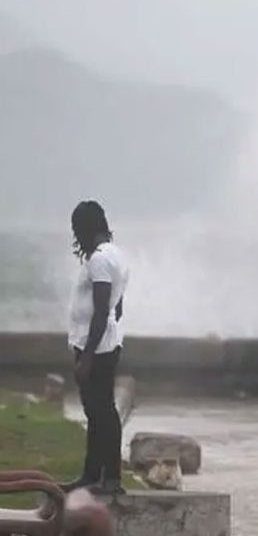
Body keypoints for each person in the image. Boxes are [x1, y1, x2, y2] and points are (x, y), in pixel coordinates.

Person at [62, 201, 129, 495]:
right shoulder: (116, 255)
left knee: (101, 412)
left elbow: (102, 310)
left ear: (85, 228)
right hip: (106, 344)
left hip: (97, 348)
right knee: (99, 412)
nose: (76, 236)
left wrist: (87, 357)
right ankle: (94, 475)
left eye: (77, 229)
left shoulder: (99, 260)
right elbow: (118, 307)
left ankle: (109, 478)